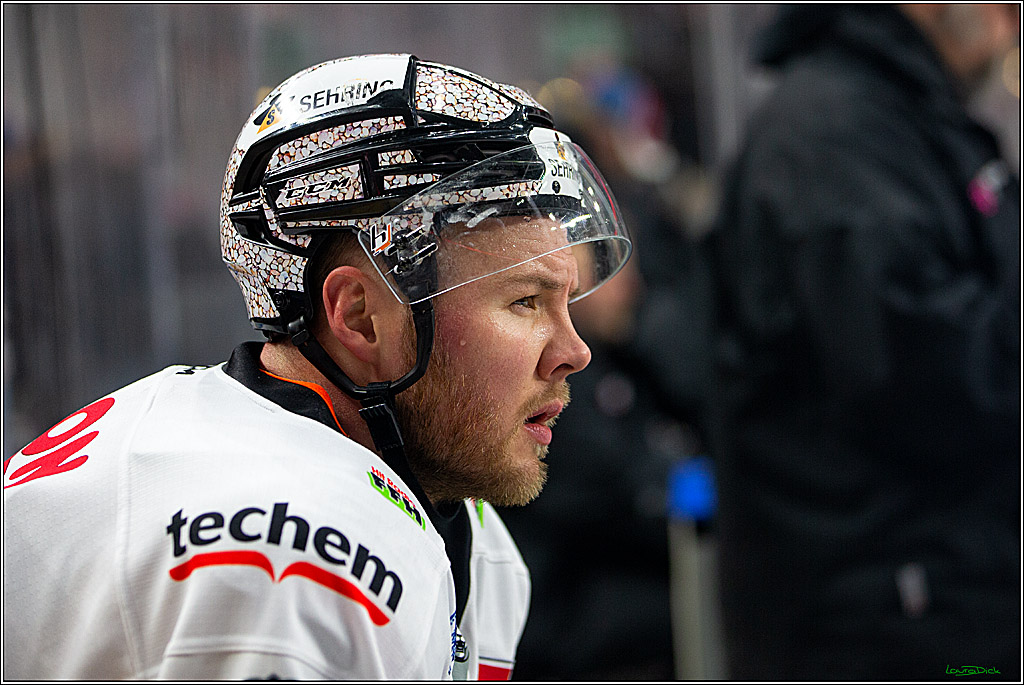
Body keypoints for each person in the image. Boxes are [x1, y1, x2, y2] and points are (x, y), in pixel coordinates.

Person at [2, 54, 631, 680]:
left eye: (564, 301)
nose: (574, 351)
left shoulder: (460, 522)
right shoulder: (296, 556)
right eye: (524, 301)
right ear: (360, 317)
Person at [705, 5, 1020, 680]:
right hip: (886, 616)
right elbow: (925, 376)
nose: (1008, 24)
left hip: (933, 591)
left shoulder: (902, 115)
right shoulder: (837, 135)